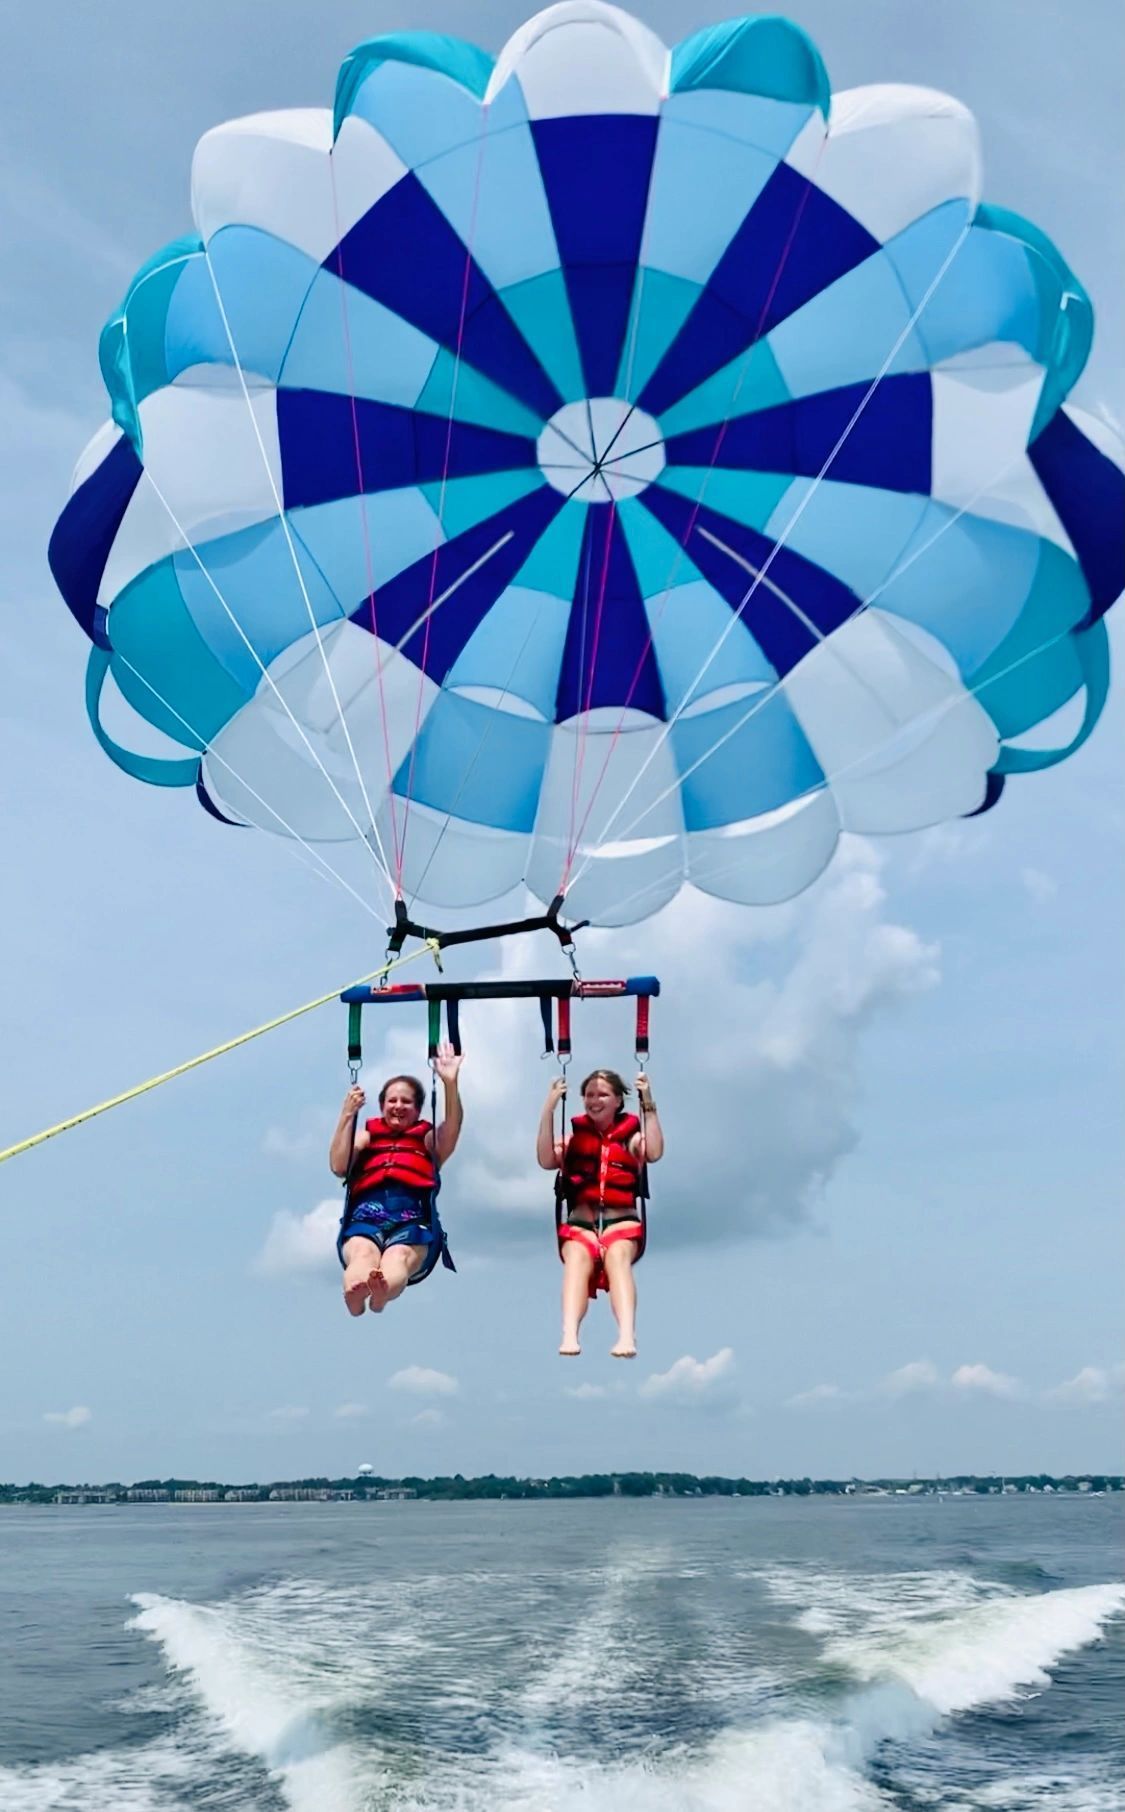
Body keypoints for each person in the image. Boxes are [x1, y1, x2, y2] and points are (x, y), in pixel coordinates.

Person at [329, 1042, 464, 1316]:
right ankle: (355, 1295)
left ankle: (381, 1294)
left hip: (413, 1219)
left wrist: (450, 1084)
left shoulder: (428, 1141)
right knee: (362, 1254)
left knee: (397, 1256)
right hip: (366, 1215)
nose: (398, 1106)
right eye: (392, 1100)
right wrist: (347, 1115)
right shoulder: (367, 1137)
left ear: (418, 1109)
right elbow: (338, 1164)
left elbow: (452, 1126)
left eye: (406, 1102)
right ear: (381, 1106)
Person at [537, 1067, 663, 1359]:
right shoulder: (573, 1141)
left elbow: (653, 1152)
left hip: (621, 1223)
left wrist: (648, 1103)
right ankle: (569, 1333)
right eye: (589, 1095)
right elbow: (545, 1159)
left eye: (603, 1095)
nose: (595, 1100)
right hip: (581, 1225)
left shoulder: (629, 1138)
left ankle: (626, 1336)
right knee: (576, 1261)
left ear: (618, 1100)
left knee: (618, 1257)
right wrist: (548, 1109)